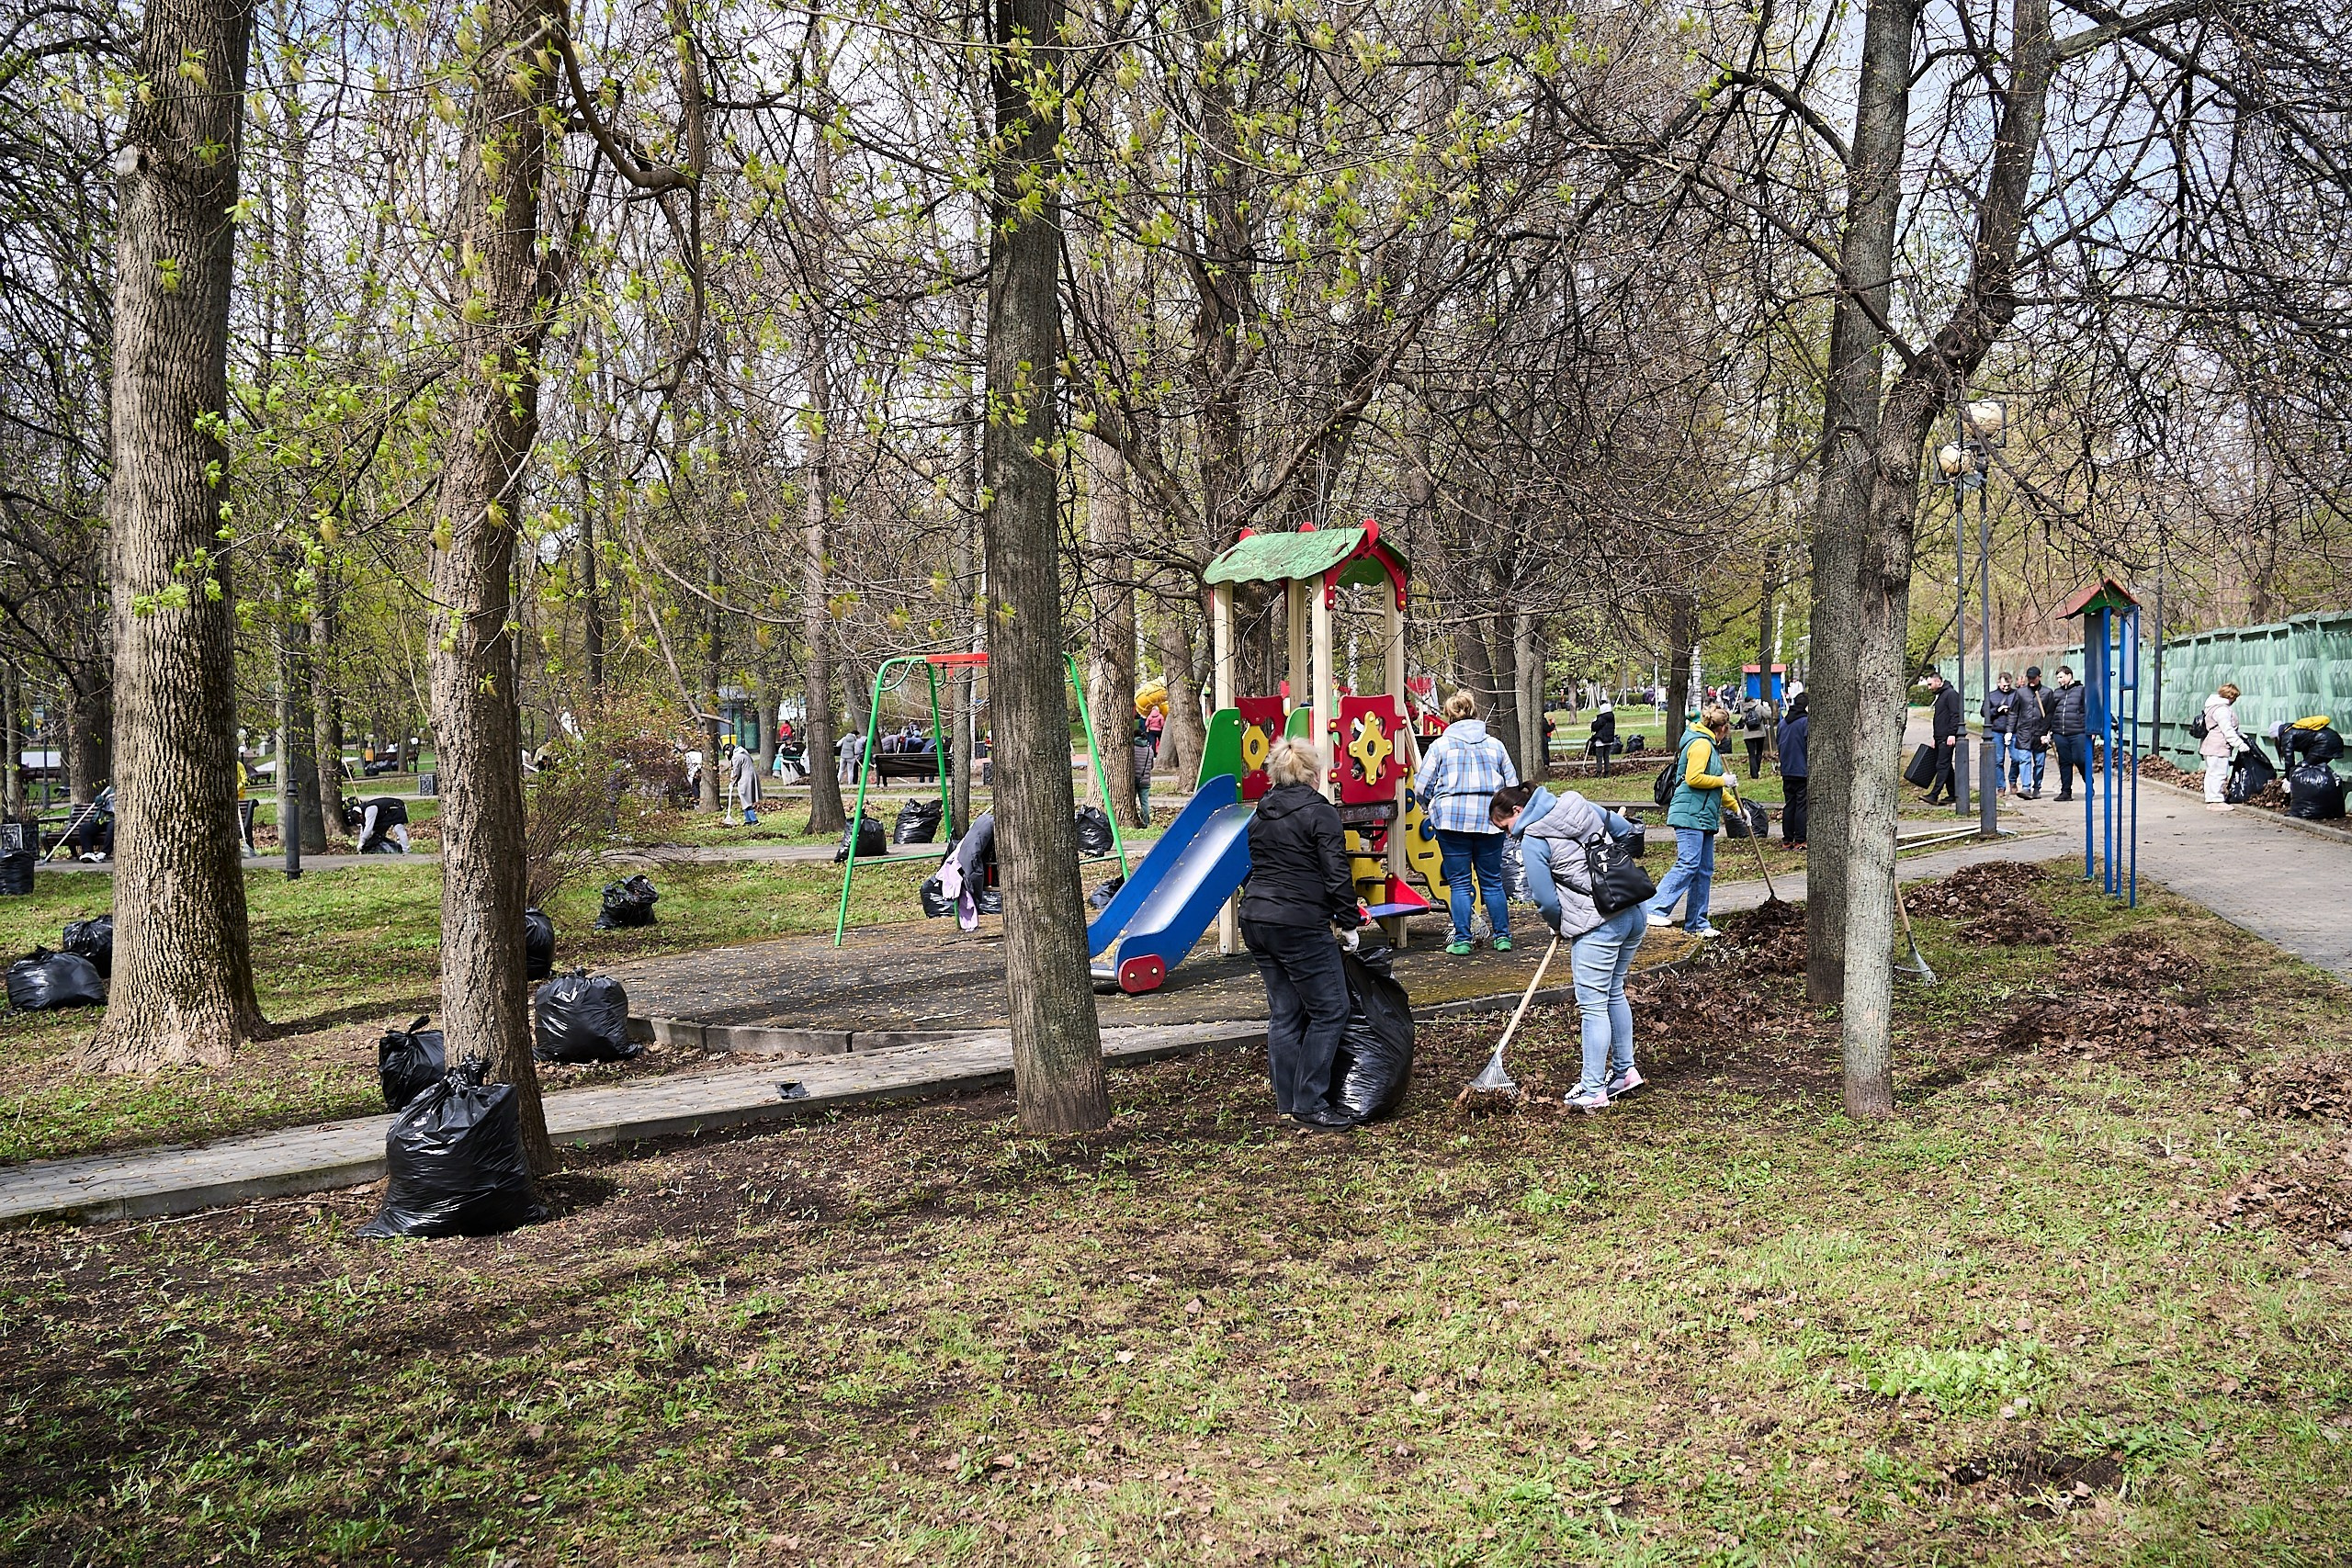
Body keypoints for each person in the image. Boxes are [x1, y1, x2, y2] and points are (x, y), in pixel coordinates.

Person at [1491, 782, 1648, 1112]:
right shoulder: (1575, 801)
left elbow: (1544, 899)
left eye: (1504, 826)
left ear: (1517, 812)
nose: (1508, 835)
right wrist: (1606, 867)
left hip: (1599, 924)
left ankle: (1593, 1089)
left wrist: (1558, 923)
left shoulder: (1534, 838)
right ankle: (1624, 1073)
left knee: (1593, 1007)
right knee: (1614, 991)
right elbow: (1625, 830)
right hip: (1633, 910)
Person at [1238, 738, 1363, 1132]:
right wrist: (1348, 920)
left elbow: (1255, 865)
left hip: (1257, 919)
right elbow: (1336, 871)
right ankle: (1310, 1102)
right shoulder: (1318, 813)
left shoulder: (1260, 814)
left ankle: (1288, 1102)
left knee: (1286, 1013)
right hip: (1298, 922)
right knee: (1331, 1009)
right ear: (1312, 773)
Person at [1414, 689, 1519, 955]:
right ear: (1475, 714)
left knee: (1459, 882)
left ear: (1450, 716)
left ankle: (1462, 940)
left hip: (1451, 821)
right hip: (1490, 821)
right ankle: (1503, 937)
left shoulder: (1440, 746)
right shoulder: (1495, 745)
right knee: (1492, 880)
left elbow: (1421, 786)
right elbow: (1512, 786)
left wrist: (1431, 807)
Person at [1647, 705, 1739, 939]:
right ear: (1722, 729)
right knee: (1688, 863)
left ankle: (1697, 923)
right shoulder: (1700, 744)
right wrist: (1722, 780)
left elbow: (1718, 788)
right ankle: (1653, 908)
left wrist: (1739, 808)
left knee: (1704, 869)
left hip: (1704, 815)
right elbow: (1694, 778)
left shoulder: (1710, 745)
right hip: (1689, 814)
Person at [2199, 682, 2250, 811]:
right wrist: (2240, 744)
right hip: (2219, 745)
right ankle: (2217, 801)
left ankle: (2211, 798)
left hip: (2210, 744)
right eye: (2234, 697)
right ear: (2230, 696)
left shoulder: (2212, 707)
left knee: (2211, 772)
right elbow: (2227, 730)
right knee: (2219, 773)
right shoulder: (2222, 710)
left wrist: (2239, 734)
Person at [2047, 665, 2090, 802]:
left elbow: (2089, 710)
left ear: (2069, 675)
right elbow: (2051, 713)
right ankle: (2066, 791)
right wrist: (2048, 732)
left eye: (2061, 677)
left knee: (2079, 759)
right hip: (2060, 732)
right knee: (2064, 762)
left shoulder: (2081, 691)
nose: (2059, 680)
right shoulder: (2057, 693)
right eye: (2057, 678)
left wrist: (2091, 729)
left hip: (2078, 732)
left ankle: (2089, 783)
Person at [1920, 671, 1963, 805]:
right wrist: (1935, 737)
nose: (1929, 688)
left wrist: (1951, 734)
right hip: (1940, 736)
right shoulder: (1942, 695)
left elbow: (1955, 715)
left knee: (1942, 765)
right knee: (1946, 766)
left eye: (1930, 684)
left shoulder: (1950, 694)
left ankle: (1934, 795)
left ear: (1938, 681)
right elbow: (1940, 718)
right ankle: (1953, 794)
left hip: (1947, 736)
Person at [1776, 693, 1809, 848]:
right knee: (1801, 805)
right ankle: (1800, 839)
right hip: (1801, 769)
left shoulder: (1783, 723)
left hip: (1787, 769)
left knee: (1790, 804)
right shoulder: (1805, 722)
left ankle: (1787, 839)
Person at [2010, 667, 2050, 796]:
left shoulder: (2047, 693)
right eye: (2029, 678)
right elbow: (2014, 712)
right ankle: (2026, 787)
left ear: (2040, 676)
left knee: (2039, 763)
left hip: (2040, 733)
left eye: (2034, 678)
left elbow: (2050, 714)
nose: (2031, 680)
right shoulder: (2020, 693)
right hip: (2024, 733)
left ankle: (2037, 787)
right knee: (2024, 760)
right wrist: (2009, 731)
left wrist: (2048, 732)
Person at [1983, 672, 2018, 794]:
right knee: (1998, 760)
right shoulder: (1992, 696)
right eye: (2004, 685)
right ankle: (2001, 786)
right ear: (1998, 683)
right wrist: (1997, 710)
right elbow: (1984, 712)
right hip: (1997, 731)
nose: (2006, 688)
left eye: (2008, 685)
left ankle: (2013, 780)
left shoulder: (2016, 694)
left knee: (2017, 758)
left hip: (2013, 730)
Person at [1738, 696, 1771, 779]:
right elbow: (1768, 716)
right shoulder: (1759, 707)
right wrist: (1767, 707)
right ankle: (1757, 770)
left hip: (1748, 734)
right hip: (1759, 732)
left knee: (1751, 754)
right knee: (1759, 752)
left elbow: (1743, 719)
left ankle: (1754, 774)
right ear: (1752, 700)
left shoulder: (1743, 709)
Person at [730, 743, 763, 825]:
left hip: (744, 780)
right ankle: (748, 820)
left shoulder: (736, 757)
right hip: (751, 777)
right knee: (745, 800)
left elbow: (736, 772)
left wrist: (732, 782)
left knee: (746, 800)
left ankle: (754, 820)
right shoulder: (744, 753)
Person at [1131, 717, 1155, 820]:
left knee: (1131, 801)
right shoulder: (1150, 750)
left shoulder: (1132, 749)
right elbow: (1152, 766)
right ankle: (1146, 820)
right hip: (1145, 780)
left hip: (1134, 779)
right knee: (1144, 802)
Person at [1588, 701, 1619, 776]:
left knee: (1599, 757)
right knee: (1606, 756)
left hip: (1600, 741)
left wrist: (1593, 722)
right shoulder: (1612, 717)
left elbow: (1595, 727)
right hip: (1609, 740)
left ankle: (1599, 772)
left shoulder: (1601, 718)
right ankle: (1607, 772)